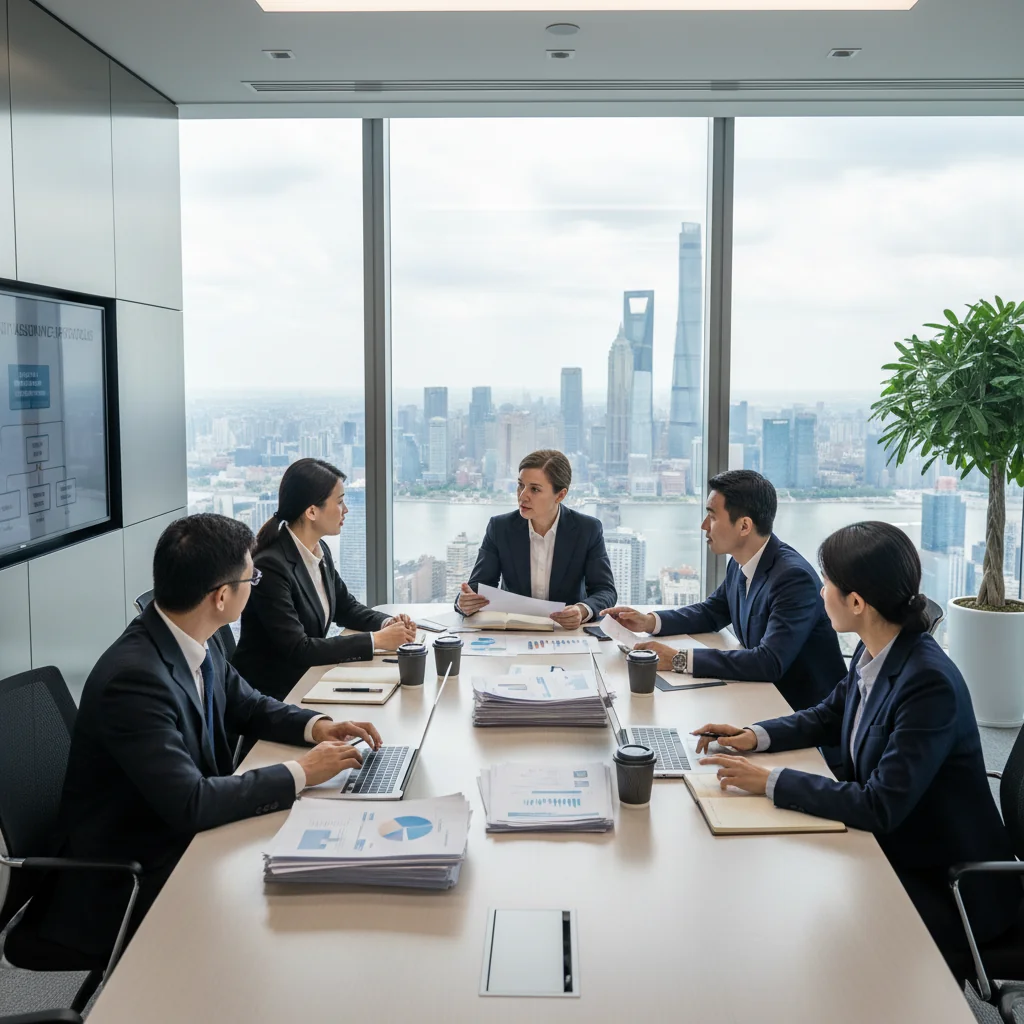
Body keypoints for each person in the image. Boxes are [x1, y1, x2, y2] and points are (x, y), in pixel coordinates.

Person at [11, 514, 381, 964]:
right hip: (129, 878)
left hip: (182, 842)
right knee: (295, 929)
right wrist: (302, 772)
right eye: (253, 577)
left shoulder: (188, 637)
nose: (255, 584)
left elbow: (248, 705)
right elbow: (191, 803)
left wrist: (316, 725)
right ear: (222, 596)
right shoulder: (135, 679)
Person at [693, 521, 1021, 959]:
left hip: (948, 886)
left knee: (798, 922)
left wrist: (769, 782)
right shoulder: (877, 649)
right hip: (899, 851)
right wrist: (754, 735)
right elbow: (829, 715)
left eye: (827, 581)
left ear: (856, 601)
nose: (820, 590)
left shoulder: (928, 684)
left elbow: (878, 806)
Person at [602, 470, 845, 713]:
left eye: (712, 517)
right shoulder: (740, 562)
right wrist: (649, 621)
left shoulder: (793, 578)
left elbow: (769, 662)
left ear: (744, 526)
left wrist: (679, 658)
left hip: (806, 717)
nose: (703, 526)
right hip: (761, 698)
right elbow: (711, 612)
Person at [233, 458, 417, 703]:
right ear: (311, 511)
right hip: (275, 696)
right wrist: (377, 641)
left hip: (310, 681)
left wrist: (388, 625)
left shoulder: (319, 551)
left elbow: (346, 607)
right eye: (340, 502)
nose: (346, 510)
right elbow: (299, 649)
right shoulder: (271, 566)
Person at [456, 449, 616, 630]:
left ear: (560, 495)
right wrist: (464, 602)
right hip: (513, 632)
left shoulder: (587, 530)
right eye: (520, 485)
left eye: (534, 489)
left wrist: (582, 610)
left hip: (565, 633)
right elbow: (478, 587)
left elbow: (605, 591)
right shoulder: (500, 528)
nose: (522, 495)